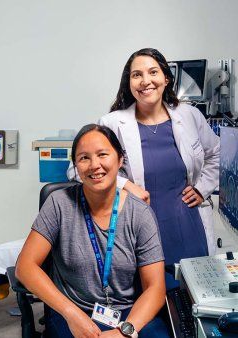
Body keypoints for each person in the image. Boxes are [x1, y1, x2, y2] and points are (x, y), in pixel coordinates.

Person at [72, 48, 219, 288]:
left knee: (194, 296)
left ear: (166, 78)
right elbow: (76, 170)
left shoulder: (189, 115)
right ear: (128, 83)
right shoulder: (112, 123)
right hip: (139, 225)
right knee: (148, 299)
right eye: (136, 75)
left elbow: (217, 153)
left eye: (153, 72)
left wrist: (202, 188)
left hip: (189, 226)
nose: (145, 81)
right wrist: (126, 184)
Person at [18, 124, 169, 338]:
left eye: (103, 155)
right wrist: (71, 314)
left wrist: (125, 332)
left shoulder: (140, 214)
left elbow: (155, 288)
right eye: (84, 158)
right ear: (76, 167)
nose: (94, 165)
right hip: (72, 310)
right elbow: (25, 267)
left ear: (120, 160)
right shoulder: (59, 204)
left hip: (127, 313)